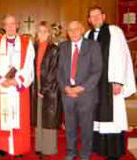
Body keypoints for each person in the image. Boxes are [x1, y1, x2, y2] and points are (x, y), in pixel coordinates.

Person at [85, 6, 136, 160]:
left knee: (113, 116)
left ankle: (114, 152)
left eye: (98, 15)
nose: (95, 18)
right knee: (97, 116)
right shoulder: (88, 35)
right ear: (89, 20)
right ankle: (101, 148)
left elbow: (121, 56)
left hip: (110, 82)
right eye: (92, 16)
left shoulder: (115, 31)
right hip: (95, 84)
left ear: (104, 16)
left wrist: (119, 81)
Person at [58, 21, 102, 160]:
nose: (73, 32)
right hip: (67, 93)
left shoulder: (93, 46)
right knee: (70, 126)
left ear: (82, 30)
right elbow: (58, 71)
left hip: (86, 94)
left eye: (76, 29)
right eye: (70, 30)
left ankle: (85, 154)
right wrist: (65, 87)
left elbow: (97, 71)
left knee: (86, 127)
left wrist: (81, 88)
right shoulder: (62, 46)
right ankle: (71, 152)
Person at [0, 14, 34, 157]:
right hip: (2, 87)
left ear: (18, 25)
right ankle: (3, 146)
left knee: (19, 118)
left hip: (18, 88)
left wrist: (17, 80)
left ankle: (19, 148)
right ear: (3, 26)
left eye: (13, 24)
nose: (10, 27)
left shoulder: (27, 43)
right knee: (2, 117)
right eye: (7, 24)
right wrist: (0, 79)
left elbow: (29, 65)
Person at [31, 21, 62, 158]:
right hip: (36, 84)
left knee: (49, 117)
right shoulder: (34, 47)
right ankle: (39, 145)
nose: (42, 34)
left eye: (45, 31)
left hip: (49, 87)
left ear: (49, 33)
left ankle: (48, 149)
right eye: (39, 31)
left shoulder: (54, 49)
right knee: (39, 116)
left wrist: (43, 89)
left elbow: (53, 72)